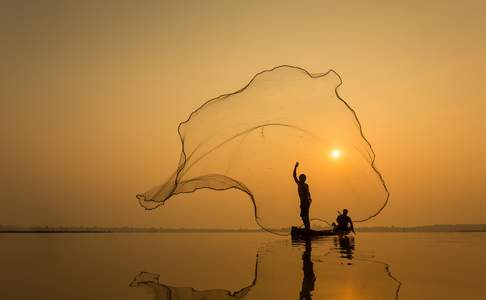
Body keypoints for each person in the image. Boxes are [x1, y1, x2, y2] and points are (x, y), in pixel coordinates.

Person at [293, 162, 312, 231]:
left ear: (304, 179)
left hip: (306, 201)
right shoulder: (299, 184)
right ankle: (307, 228)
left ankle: (307, 229)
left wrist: (310, 198)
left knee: (305, 216)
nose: (302, 179)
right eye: (301, 178)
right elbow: (294, 176)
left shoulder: (306, 185)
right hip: (303, 201)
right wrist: (295, 167)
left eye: (303, 178)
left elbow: (308, 192)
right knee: (303, 216)